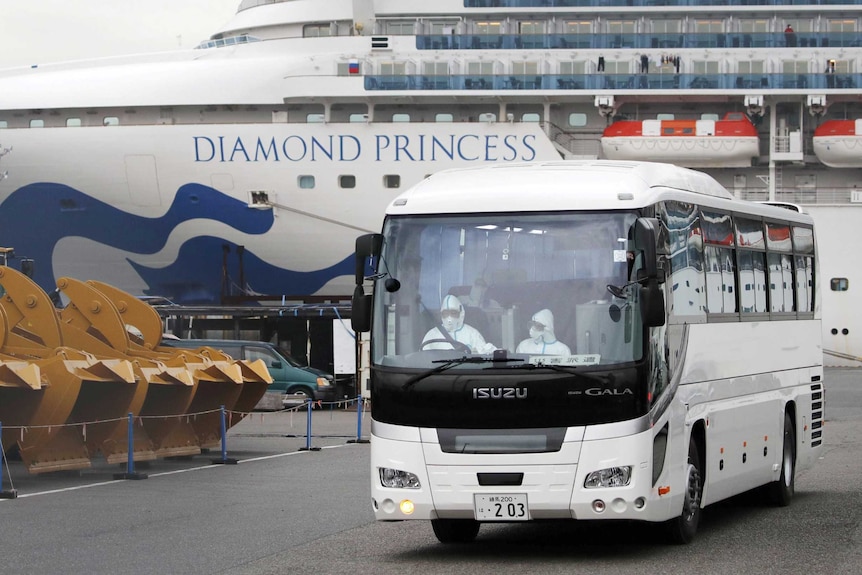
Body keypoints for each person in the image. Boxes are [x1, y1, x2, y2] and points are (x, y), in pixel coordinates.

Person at [422, 295, 496, 353]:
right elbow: (424, 359)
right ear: (441, 314)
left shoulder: (473, 334)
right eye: (445, 313)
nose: (449, 318)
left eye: (453, 313)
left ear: (461, 313)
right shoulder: (432, 335)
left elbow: (483, 356)